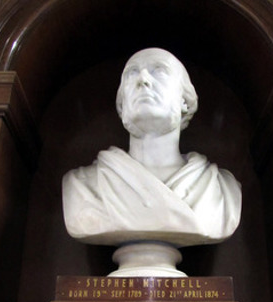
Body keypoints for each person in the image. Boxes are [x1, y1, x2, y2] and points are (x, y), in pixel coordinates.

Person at [62, 48, 242, 248]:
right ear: (122, 106)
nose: (143, 80)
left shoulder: (219, 189)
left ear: (185, 100)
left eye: (160, 71)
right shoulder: (82, 185)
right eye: (132, 73)